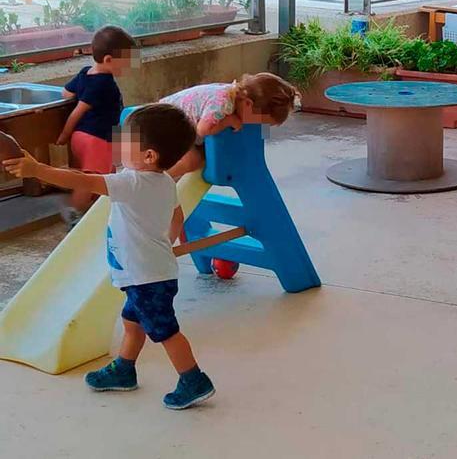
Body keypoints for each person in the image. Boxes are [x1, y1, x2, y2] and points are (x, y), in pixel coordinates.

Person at [3, 104, 216, 410]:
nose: (118, 145)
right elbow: (176, 216)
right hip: (152, 273)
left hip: (147, 278)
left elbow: (82, 181)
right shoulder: (165, 181)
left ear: (149, 156)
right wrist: (164, 243)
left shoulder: (131, 183)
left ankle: (193, 379)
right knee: (132, 322)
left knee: (166, 332)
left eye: (126, 141)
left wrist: (37, 170)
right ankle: (125, 369)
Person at [54, 26, 138, 225]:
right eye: (125, 64)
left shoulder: (85, 73)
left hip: (81, 137)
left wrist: (69, 135)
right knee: (91, 179)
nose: (127, 68)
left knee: (95, 174)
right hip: (97, 138)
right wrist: (63, 135)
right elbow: (78, 111)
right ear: (109, 60)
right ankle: (74, 212)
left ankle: (95, 209)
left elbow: (66, 93)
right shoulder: (104, 83)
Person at [159, 73, 299, 180]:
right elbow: (203, 129)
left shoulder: (233, 94)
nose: (259, 126)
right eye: (261, 121)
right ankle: (154, 180)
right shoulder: (223, 104)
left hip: (179, 124)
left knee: (201, 159)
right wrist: (228, 121)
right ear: (248, 104)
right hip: (165, 124)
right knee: (192, 161)